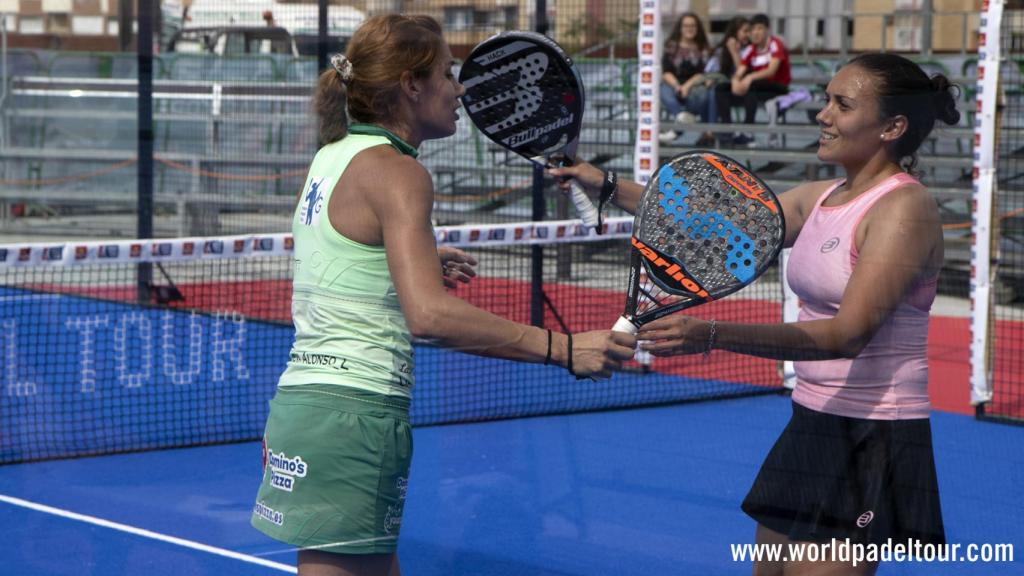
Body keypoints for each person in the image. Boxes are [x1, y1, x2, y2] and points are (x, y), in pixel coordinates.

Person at [250, 14, 636, 576]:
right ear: (410, 85)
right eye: (448, 74)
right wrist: (565, 348)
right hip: (355, 414)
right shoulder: (400, 173)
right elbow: (428, 316)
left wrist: (414, 261)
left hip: (306, 407)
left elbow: (343, 252)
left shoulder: (333, 153)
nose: (460, 90)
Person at [550, 52, 960, 575]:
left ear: (892, 127)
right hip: (812, 418)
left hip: (873, 432)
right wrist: (602, 183)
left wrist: (713, 334)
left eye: (842, 104)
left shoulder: (905, 209)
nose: (823, 115)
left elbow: (847, 335)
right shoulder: (822, 198)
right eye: (826, 100)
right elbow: (704, 223)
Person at [714, 13, 790, 147]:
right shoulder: (751, 48)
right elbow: (741, 69)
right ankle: (727, 131)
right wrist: (735, 81)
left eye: (759, 28)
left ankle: (747, 132)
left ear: (767, 30)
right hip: (757, 87)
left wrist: (749, 77)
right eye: (752, 29)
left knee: (751, 87)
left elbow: (771, 70)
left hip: (777, 86)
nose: (755, 33)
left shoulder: (775, 44)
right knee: (721, 88)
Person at [658, 12, 712, 145]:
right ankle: (681, 115)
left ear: (697, 28)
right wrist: (678, 87)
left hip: (695, 85)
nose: (690, 29)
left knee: (704, 95)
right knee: (663, 90)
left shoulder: (704, 49)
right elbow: (666, 72)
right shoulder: (671, 47)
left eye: (693, 26)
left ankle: (677, 131)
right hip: (674, 84)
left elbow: (703, 73)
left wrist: (687, 86)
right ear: (680, 28)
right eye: (686, 26)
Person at [698, 16, 750, 147]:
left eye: (748, 31)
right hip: (720, 89)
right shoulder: (721, 51)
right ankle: (709, 132)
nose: (748, 34)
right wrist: (710, 79)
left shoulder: (749, 50)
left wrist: (734, 52)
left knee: (715, 91)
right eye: (745, 31)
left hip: (738, 90)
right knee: (708, 93)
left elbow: (742, 73)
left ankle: (709, 133)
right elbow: (709, 71)